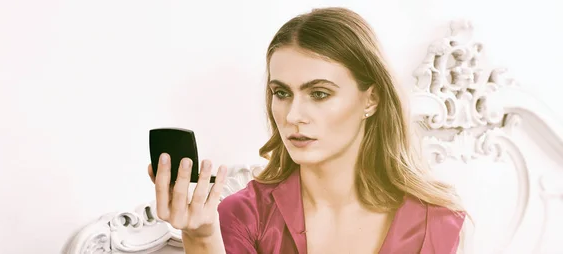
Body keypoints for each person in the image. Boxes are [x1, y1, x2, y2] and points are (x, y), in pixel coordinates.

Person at [148, 7, 466, 254]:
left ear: (372, 99)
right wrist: (201, 237)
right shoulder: (246, 216)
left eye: (319, 94)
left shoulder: (434, 221)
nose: (293, 116)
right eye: (282, 93)